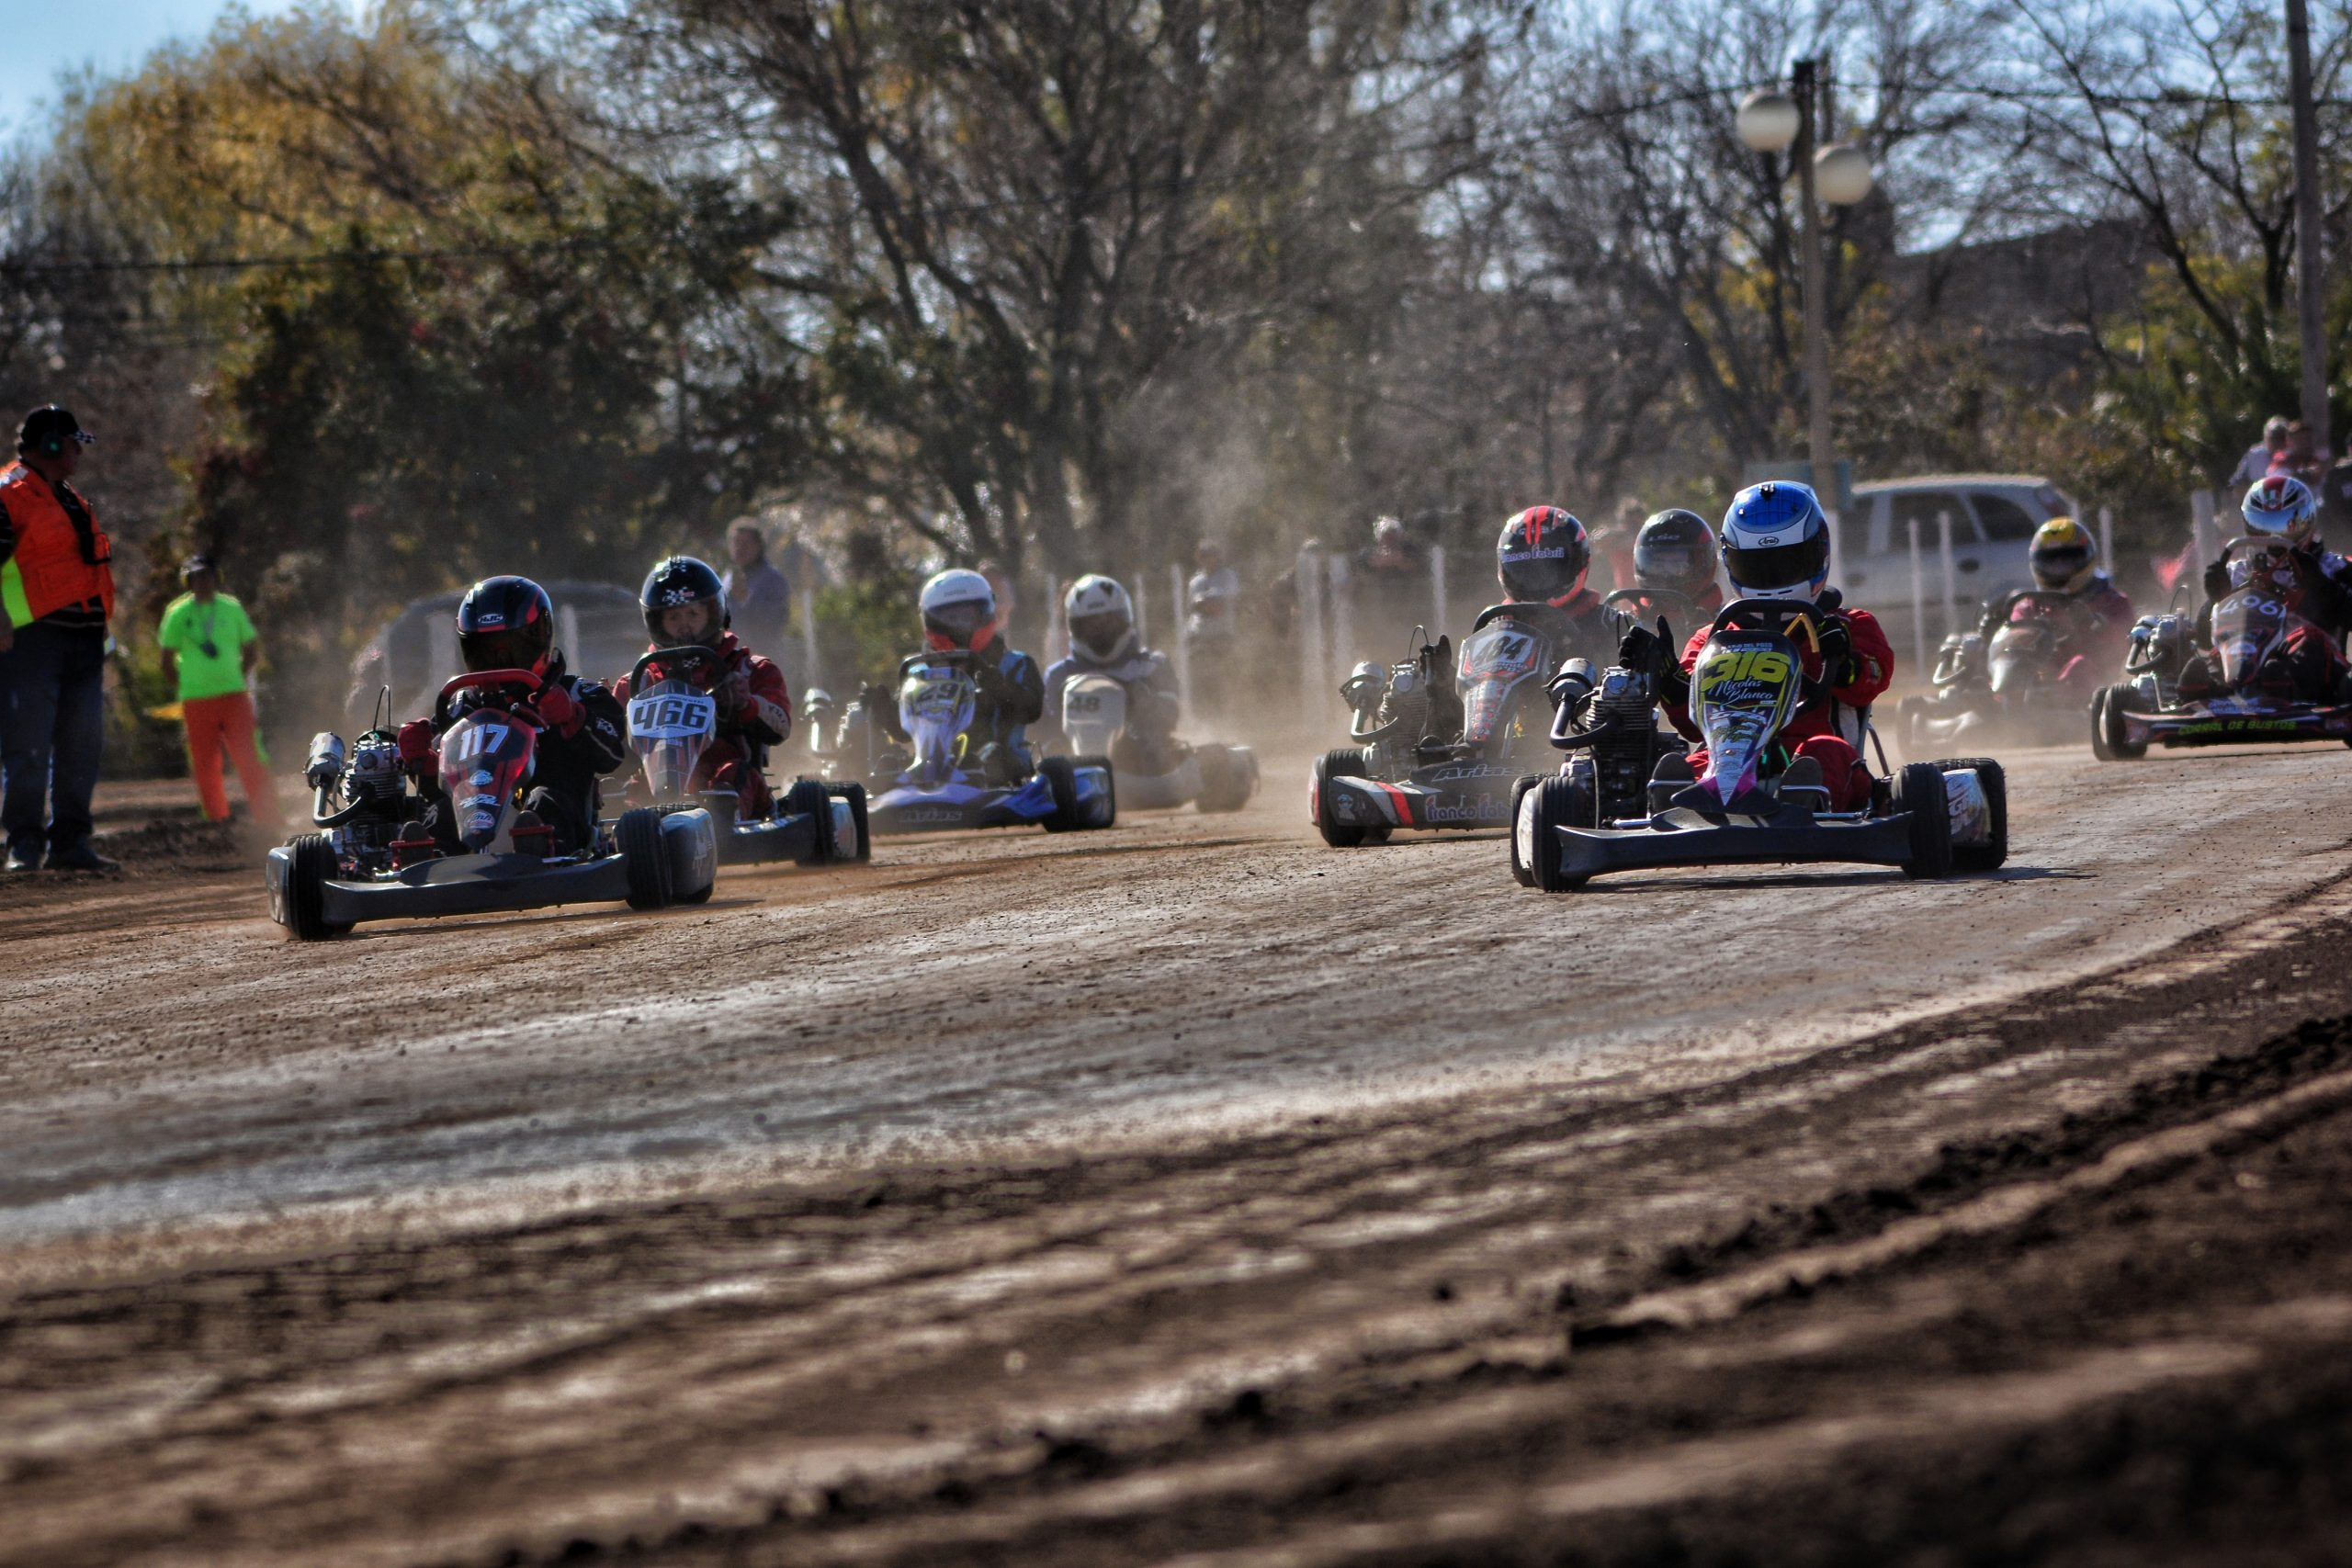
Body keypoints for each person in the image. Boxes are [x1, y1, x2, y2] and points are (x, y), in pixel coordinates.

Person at [1636, 481, 1893, 813]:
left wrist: (1842, 662)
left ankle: (1803, 805)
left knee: (1823, 753)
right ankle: (1677, 807)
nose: (1773, 577)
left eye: (1787, 563)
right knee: (1690, 762)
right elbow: (1691, 727)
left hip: (1812, 755)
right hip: (1729, 759)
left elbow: (1874, 676)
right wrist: (1670, 681)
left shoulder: (1848, 626)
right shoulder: (1712, 639)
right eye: (1758, 566)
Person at [392, 576, 628, 855]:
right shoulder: (459, 707)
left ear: (540, 638)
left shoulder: (577, 693)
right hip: (474, 817)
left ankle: (541, 847)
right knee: (442, 810)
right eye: (487, 651)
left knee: (542, 800)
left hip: (558, 827)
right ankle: (431, 858)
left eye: (511, 649)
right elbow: (436, 788)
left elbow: (613, 755)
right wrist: (424, 760)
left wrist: (573, 717)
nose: (500, 662)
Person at [0, 406, 117, 873]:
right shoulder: (9, 492)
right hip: (32, 641)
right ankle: (24, 843)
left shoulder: (69, 498)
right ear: (48, 444)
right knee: (27, 744)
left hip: (83, 640)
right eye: (71, 444)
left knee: (81, 745)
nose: (77, 454)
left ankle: (71, 842)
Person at [613, 555, 792, 816]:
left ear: (713, 614)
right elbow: (610, 752)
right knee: (624, 791)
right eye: (674, 617)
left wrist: (746, 704)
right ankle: (635, 828)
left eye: (693, 614)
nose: (684, 626)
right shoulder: (638, 683)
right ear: (657, 623)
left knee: (733, 775)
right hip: (658, 789)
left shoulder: (749, 671)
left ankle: (721, 826)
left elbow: (781, 726)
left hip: (725, 786)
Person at [2179, 476, 2352, 704]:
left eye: (2282, 525)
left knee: (2309, 645)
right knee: (2209, 658)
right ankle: (2205, 692)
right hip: (2244, 655)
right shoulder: (2237, 572)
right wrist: (2215, 599)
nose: (2271, 537)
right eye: (2262, 526)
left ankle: (2279, 688)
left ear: (2306, 522)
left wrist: (2320, 587)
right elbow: (2204, 639)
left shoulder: (2333, 568)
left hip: (2311, 665)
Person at [156, 555, 280, 832]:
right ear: (188, 581)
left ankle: (269, 819)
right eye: (196, 577)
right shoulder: (177, 613)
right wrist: (185, 687)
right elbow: (165, 660)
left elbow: (251, 648)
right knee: (205, 764)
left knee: (251, 758)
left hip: (234, 697)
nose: (203, 582)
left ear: (216, 578)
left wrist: (238, 676)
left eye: (207, 575)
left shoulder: (231, 608)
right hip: (196, 701)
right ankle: (216, 823)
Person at [891, 568, 1043, 782]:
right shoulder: (917, 673)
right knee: (889, 763)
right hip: (931, 772)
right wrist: (886, 713)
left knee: (993, 759)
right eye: (951, 617)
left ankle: (973, 767)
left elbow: (1033, 710)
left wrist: (1002, 690)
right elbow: (904, 733)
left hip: (1004, 775)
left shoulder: (1016, 664)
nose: (959, 625)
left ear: (987, 611)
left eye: (967, 616)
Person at [1973, 518, 2133, 694]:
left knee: (2079, 667)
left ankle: (2055, 700)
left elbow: (2126, 644)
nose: (2059, 569)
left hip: (2097, 684)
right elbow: (2014, 647)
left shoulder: (2111, 601)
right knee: (1970, 653)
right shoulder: (2029, 605)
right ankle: (1987, 699)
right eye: (2051, 562)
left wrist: (2094, 623)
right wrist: (1996, 635)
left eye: (2067, 561)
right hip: (2039, 680)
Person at [1041, 575, 1183, 770]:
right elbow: (1048, 731)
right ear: (1075, 627)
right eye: (1091, 625)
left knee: (1213, 760)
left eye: (1107, 622)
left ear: (1124, 619)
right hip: (1078, 772)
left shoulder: (1152, 666)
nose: (1100, 632)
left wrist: (1141, 699)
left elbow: (1170, 714)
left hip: (1145, 769)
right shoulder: (1059, 676)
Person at [1488, 505, 1617, 667]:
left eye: (1548, 565)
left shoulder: (1610, 624)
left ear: (1581, 561)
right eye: (1526, 568)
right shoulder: (1497, 626)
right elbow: (1476, 680)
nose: (1536, 577)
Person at [1623, 508, 1724, 626]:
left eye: (1676, 564)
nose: (1666, 575)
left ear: (1705, 564)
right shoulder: (1627, 626)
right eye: (1658, 565)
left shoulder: (1727, 624)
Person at [1183, 540, 1239, 719]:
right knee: (1200, 679)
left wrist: (1208, 602)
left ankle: (1226, 715)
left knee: (1222, 677)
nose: (1207, 559)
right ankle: (1205, 717)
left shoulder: (1227, 576)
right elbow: (1193, 608)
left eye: (1211, 555)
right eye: (1203, 556)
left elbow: (1226, 600)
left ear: (1217, 557)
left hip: (1221, 634)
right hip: (1199, 635)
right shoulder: (1195, 582)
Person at [721, 519, 792, 656]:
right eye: (736, 542)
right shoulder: (728, 577)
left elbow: (778, 619)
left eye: (745, 543)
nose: (739, 548)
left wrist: (746, 601)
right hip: (732, 656)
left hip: (763, 657)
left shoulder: (772, 578)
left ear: (758, 546)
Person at [2229, 415, 2290, 490]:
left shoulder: (2294, 454)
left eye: (2281, 438)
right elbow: (2238, 481)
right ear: (2266, 438)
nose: (2277, 442)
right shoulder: (2255, 455)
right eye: (2273, 438)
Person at [2271, 420, 2330, 486]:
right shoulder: (2282, 459)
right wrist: (2310, 475)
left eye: (2308, 438)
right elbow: (2282, 480)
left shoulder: (2317, 457)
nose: (2305, 443)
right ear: (2289, 441)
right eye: (2300, 439)